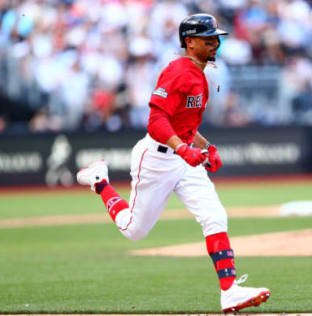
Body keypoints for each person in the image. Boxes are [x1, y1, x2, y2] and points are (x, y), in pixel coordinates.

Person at [76, 14, 271, 313]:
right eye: (208, 39)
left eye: (216, 38)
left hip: (183, 158)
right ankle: (100, 181)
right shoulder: (178, 71)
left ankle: (229, 292)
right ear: (189, 42)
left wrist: (207, 147)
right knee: (134, 230)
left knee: (215, 216)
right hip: (155, 158)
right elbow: (155, 121)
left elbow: (186, 126)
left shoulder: (202, 75)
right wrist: (183, 149)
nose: (215, 43)